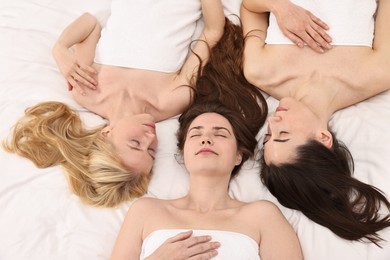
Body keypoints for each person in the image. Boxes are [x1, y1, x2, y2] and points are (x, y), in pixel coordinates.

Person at [2, 1, 267, 207]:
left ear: (105, 134)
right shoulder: (171, 100)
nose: (150, 137)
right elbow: (212, 31)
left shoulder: (87, 91)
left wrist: (60, 48)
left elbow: (91, 24)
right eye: (151, 151)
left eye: (135, 144)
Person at [241, 0, 390, 246]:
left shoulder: (259, 71)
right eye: (283, 134)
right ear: (323, 138)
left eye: (268, 136)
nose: (273, 121)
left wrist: (281, 8)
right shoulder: (378, 73)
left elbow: (249, 6)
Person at [109, 102, 303, 260]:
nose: (206, 139)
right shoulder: (145, 211)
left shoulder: (263, 215)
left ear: (238, 156)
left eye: (220, 134)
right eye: (195, 134)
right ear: (184, 154)